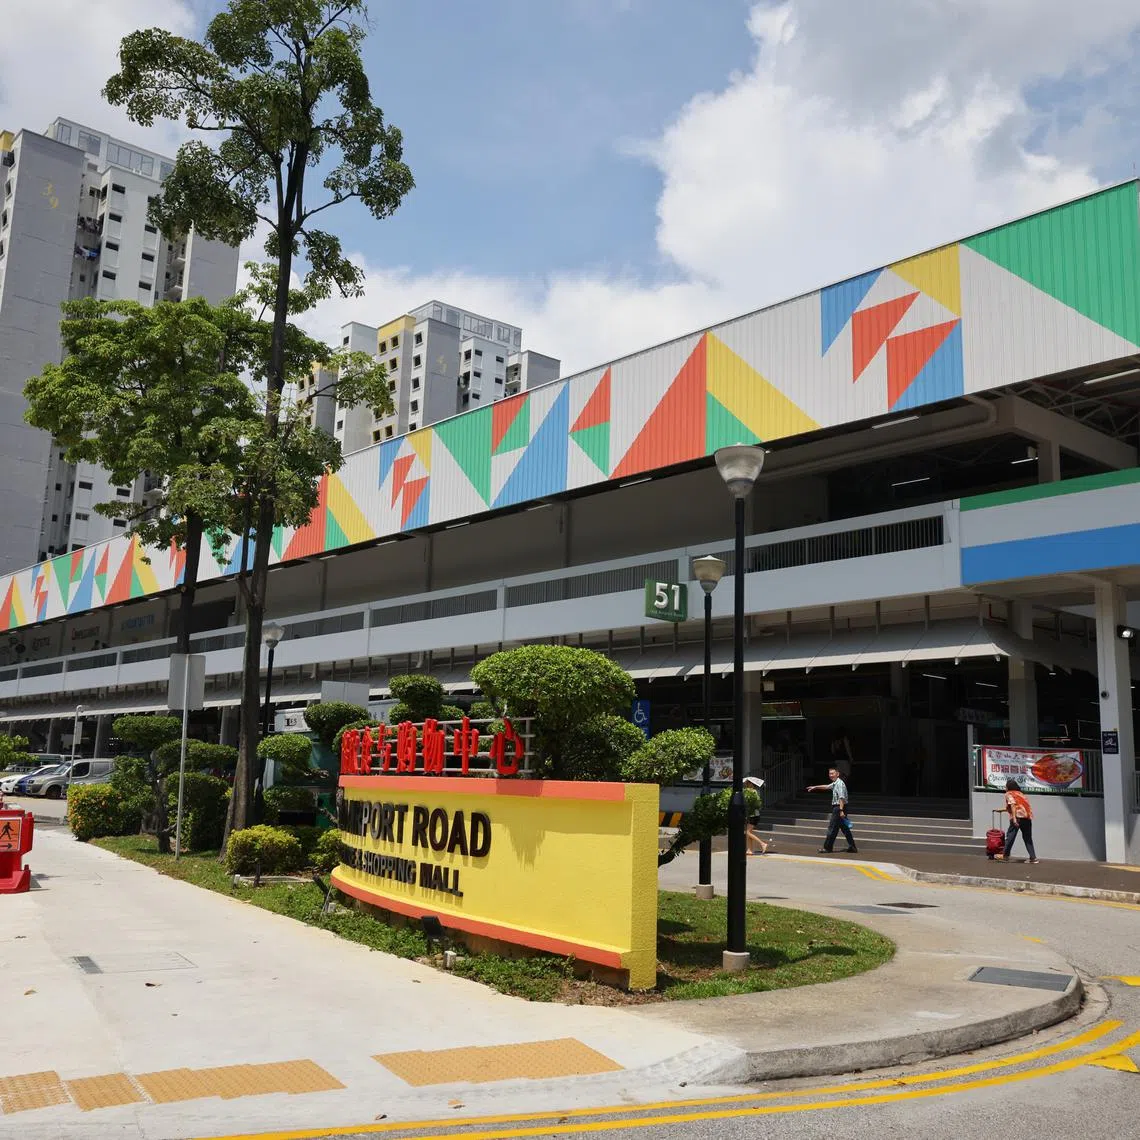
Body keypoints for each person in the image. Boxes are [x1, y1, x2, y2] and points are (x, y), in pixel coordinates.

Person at [807, 766, 858, 853]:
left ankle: (827, 848)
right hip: (840, 807)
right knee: (844, 828)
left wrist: (841, 811)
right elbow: (827, 786)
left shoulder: (839, 784)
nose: (830, 775)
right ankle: (852, 847)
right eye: (829, 773)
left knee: (832, 828)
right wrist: (815, 787)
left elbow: (841, 798)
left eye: (832, 773)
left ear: (837, 774)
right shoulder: (835, 783)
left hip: (839, 808)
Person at [996, 778, 1038, 863]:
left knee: (1010, 836)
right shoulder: (1021, 794)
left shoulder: (1009, 794)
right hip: (1027, 818)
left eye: (1006, 786)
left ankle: (1005, 856)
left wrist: (1014, 819)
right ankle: (1033, 858)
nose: (1005, 788)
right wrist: (1002, 810)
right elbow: (1018, 806)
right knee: (1027, 838)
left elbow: (1013, 805)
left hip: (1017, 818)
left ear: (1008, 787)